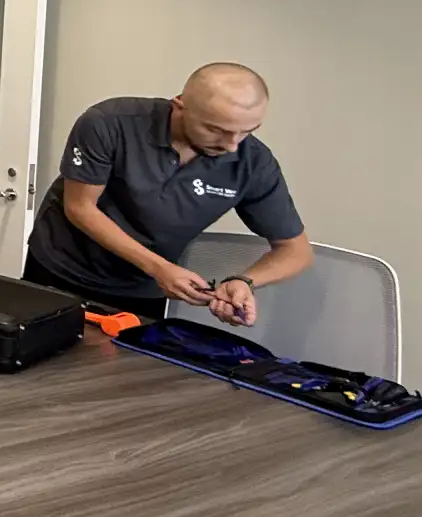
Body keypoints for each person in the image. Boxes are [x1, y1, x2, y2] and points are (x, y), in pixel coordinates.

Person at [23, 63, 313, 324]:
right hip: (61, 269)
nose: (232, 145)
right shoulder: (109, 122)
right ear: (180, 105)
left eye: (247, 131)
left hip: (142, 290)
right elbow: (80, 207)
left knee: (121, 376)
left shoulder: (254, 163)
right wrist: (159, 268)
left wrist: (244, 281)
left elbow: (296, 251)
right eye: (216, 129)